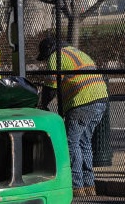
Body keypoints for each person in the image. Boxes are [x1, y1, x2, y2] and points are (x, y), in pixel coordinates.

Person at [37, 37, 109, 198]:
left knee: (72, 143)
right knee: (85, 142)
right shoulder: (77, 52)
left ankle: (77, 187)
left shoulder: (56, 57)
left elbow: (50, 88)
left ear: (49, 50)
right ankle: (90, 185)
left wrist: (42, 105)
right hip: (101, 99)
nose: (46, 61)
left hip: (82, 102)